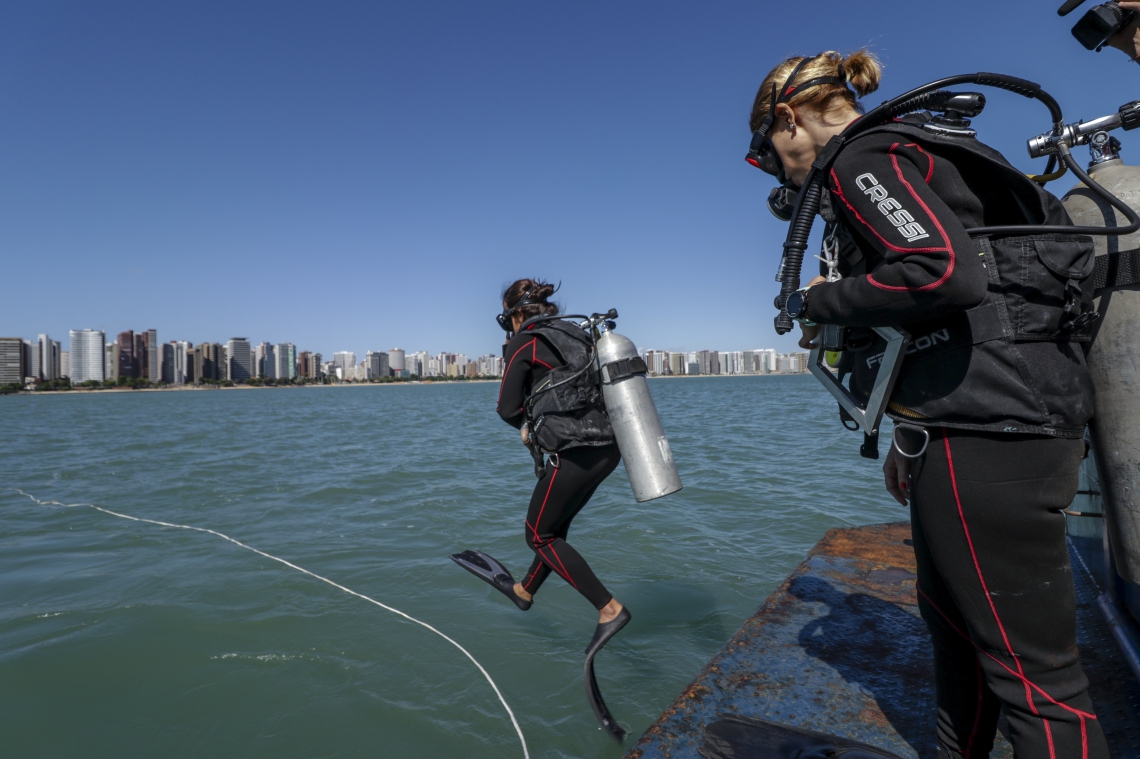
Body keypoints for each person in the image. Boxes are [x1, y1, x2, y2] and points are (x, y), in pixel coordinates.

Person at [749, 51, 1107, 758]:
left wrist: (823, 299)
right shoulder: (923, 146)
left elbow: (942, 270)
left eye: (768, 152)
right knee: (955, 632)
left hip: (992, 432)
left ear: (788, 118)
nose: (777, 168)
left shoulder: (861, 158)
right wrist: (911, 436)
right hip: (986, 421)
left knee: (1036, 684)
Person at [453, 279, 630, 650]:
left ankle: (609, 608)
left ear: (516, 314)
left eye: (506, 321)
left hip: (576, 451)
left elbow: (506, 408)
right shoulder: (576, 333)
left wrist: (524, 423)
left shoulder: (526, 340)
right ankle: (524, 590)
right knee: (555, 529)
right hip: (611, 449)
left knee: (538, 535)